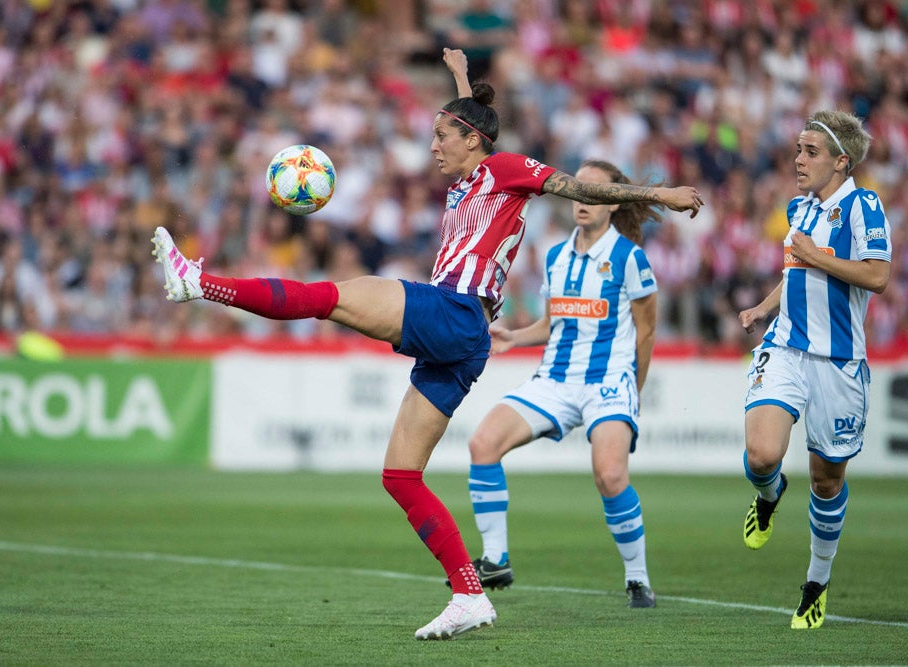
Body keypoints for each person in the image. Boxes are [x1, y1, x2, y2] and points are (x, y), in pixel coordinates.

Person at [151, 48, 704, 640]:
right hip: (465, 341)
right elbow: (475, 126)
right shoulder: (472, 174)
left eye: (442, 135)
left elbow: (571, 184)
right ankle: (470, 595)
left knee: (329, 297)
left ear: (469, 138)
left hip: (455, 312)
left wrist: (660, 193)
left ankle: (197, 282)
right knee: (400, 476)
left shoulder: (507, 168)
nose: (433, 145)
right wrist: (461, 80)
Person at [463, 159, 660, 608]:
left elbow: (646, 330)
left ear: (613, 204)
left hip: (608, 381)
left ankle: (637, 578)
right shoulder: (555, 255)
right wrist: (516, 336)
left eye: (595, 192)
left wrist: (634, 391)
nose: (583, 199)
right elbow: (555, 322)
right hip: (554, 379)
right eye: (577, 189)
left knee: (610, 476)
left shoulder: (629, 258)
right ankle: (496, 559)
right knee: (482, 444)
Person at [737, 110, 891, 629]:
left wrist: (817, 256)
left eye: (810, 152)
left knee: (827, 480)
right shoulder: (799, 208)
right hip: (785, 347)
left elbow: (878, 276)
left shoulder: (863, 206)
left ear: (840, 162)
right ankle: (769, 492)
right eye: (798, 150)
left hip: (839, 361)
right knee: (762, 454)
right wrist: (764, 307)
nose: (798, 160)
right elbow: (796, 273)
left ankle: (816, 583)